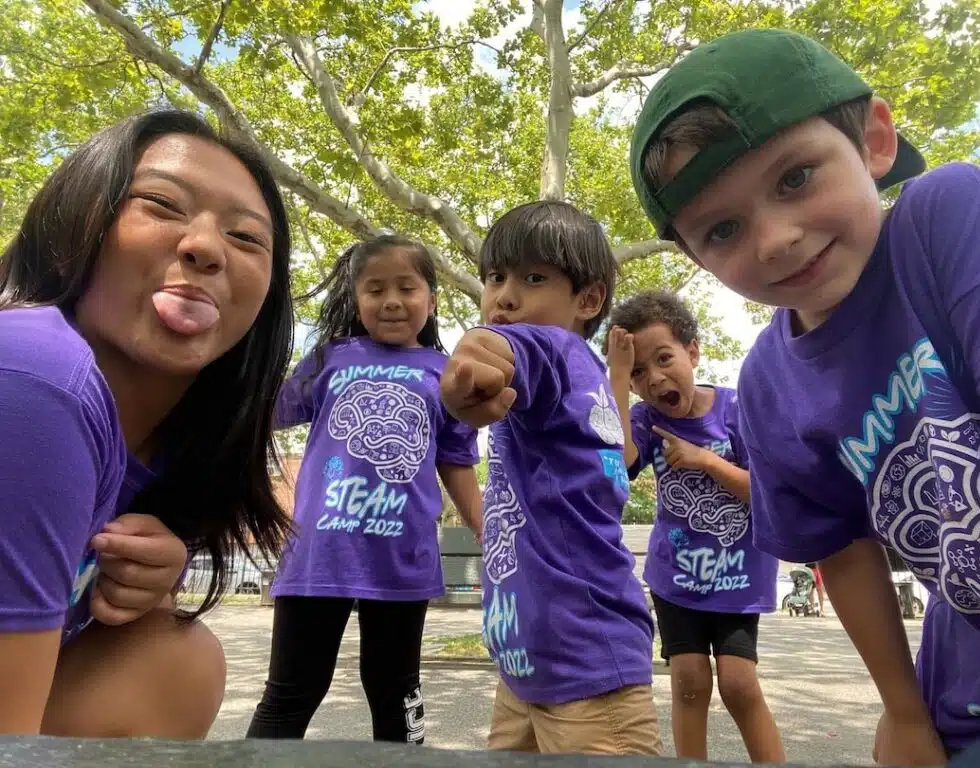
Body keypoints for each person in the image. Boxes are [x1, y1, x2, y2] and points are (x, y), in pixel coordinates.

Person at [628, 26, 980, 763]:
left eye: (795, 178)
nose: (775, 238)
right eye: (722, 228)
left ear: (874, 140)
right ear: (694, 258)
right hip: (974, 685)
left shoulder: (948, 220)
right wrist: (904, 714)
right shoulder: (770, 386)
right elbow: (841, 552)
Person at [0, 109, 295, 736]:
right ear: (77, 218)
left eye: (247, 239)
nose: (206, 247)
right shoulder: (31, 376)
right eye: (161, 205)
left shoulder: (172, 452)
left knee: (176, 655)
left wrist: (142, 584)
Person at [439, 201, 662, 756]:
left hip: (588, 664)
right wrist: (475, 367)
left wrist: (476, 363)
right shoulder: (575, 372)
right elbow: (496, 347)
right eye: (495, 277)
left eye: (533, 278)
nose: (504, 296)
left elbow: (504, 348)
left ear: (588, 299)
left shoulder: (556, 348)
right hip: (525, 664)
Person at [246, 235, 483, 744]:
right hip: (318, 557)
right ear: (357, 299)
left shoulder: (448, 374)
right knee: (291, 692)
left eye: (406, 287)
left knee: (396, 692)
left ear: (433, 300)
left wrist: (488, 532)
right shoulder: (331, 358)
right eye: (375, 289)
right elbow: (263, 415)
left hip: (402, 559)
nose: (392, 300)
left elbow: (457, 461)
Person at [604, 290, 783, 762]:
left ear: (693, 352)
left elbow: (768, 493)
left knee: (740, 684)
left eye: (664, 358)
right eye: (639, 371)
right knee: (688, 682)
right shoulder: (642, 420)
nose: (655, 377)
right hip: (675, 579)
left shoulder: (736, 410)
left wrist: (705, 461)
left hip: (738, 579)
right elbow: (617, 464)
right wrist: (617, 380)